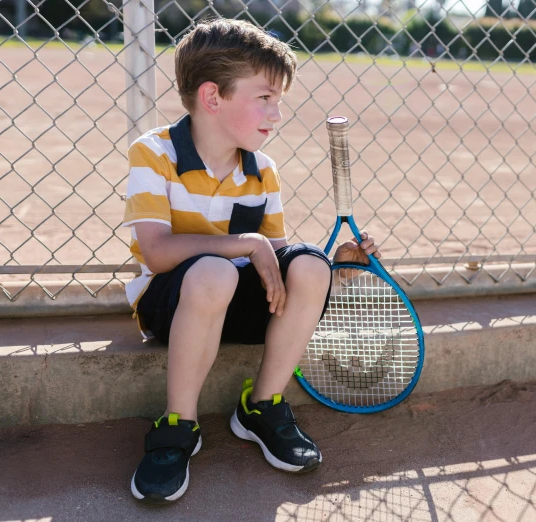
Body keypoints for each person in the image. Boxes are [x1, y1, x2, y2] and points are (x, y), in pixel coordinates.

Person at [121, 18, 381, 503]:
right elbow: (156, 252)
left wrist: (336, 269)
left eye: (278, 100)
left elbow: (275, 262)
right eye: (264, 98)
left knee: (308, 265)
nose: (276, 113)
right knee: (215, 270)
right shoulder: (153, 153)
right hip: (173, 307)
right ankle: (179, 425)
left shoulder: (263, 169)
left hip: (237, 302)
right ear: (213, 97)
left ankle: (261, 407)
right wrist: (243, 243)